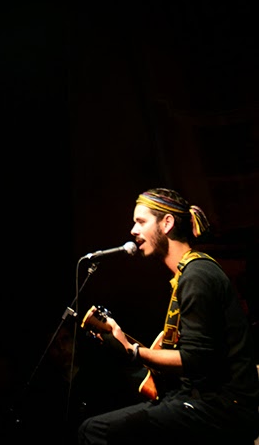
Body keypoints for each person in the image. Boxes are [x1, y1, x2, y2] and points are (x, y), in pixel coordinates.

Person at [78, 187, 259, 445]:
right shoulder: (187, 274)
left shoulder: (197, 275)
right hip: (202, 400)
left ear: (167, 223)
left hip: (222, 408)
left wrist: (132, 351)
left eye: (141, 221)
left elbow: (194, 359)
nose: (133, 230)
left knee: (93, 430)